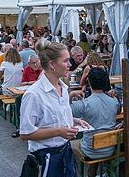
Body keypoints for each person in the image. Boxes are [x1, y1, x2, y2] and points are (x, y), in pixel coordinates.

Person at [19, 39, 89, 177]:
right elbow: (25, 133)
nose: (69, 64)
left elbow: (53, 116)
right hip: (46, 159)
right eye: (65, 61)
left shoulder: (63, 88)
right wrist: (58, 131)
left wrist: (73, 120)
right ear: (52, 64)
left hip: (65, 154)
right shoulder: (33, 94)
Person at [69, 68, 120, 177]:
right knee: (94, 141)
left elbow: (65, 113)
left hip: (90, 150)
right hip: (110, 149)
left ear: (89, 83)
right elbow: (118, 110)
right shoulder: (114, 101)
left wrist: (71, 95)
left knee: (69, 146)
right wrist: (115, 95)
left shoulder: (85, 104)